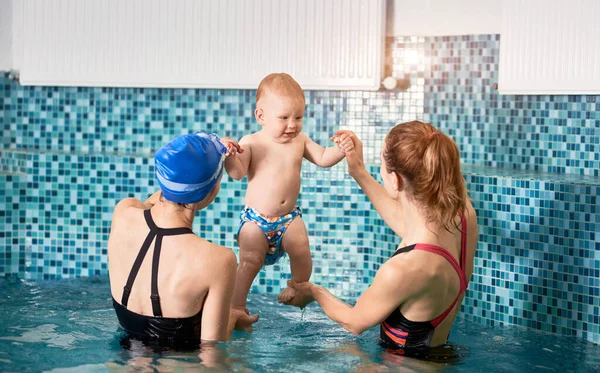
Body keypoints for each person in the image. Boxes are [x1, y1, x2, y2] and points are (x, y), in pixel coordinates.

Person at [286, 121, 479, 353]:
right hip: (440, 358)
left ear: (395, 179)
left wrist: (312, 291)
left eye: (382, 164)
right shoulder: (464, 215)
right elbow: (410, 224)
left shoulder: (403, 270)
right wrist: (358, 171)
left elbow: (354, 322)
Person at [220, 73, 352, 328]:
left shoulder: (300, 141)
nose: (292, 125)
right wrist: (228, 155)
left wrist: (342, 148)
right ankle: (236, 307)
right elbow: (237, 173)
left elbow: (324, 158)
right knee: (249, 262)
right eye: (284, 118)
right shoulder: (252, 142)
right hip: (256, 220)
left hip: (288, 218)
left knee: (302, 249)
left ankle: (297, 287)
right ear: (261, 116)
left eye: (298, 117)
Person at [108, 132, 258, 351]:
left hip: (122, 362)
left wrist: (209, 153)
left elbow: (168, 191)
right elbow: (211, 352)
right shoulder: (218, 260)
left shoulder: (123, 212)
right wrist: (234, 317)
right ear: (210, 192)